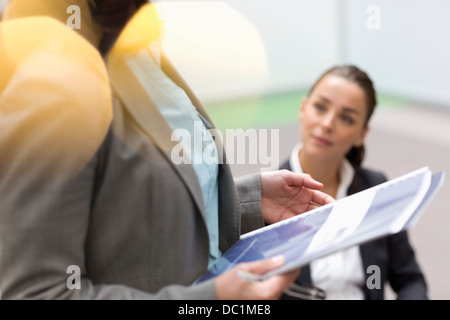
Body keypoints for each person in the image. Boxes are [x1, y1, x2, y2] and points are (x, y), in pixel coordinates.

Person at [0, 0, 333, 299]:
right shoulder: (55, 84)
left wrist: (246, 200)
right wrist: (209, 299)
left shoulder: (142, 53)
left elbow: (129, 211)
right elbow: (37, 291)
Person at [280, 65, 428, 300]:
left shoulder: (376, 189)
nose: (327, 124)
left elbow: (410, 279)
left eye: (346, 118)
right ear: (303, 108)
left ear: (361, 134)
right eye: (320, 107)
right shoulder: (267, 197)